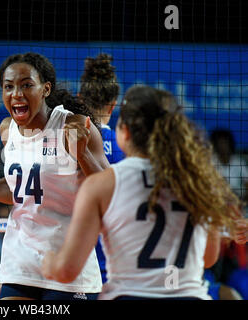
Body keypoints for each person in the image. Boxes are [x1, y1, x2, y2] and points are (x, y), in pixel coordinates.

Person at [42, 85, 242, 300]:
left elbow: (66, 271)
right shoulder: (201, 181)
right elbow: (208, 258)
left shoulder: (102, 184)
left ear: (124, 132)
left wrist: (49, 261)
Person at [0, 52, 109, 300]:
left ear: (45, 89)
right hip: (21, 262)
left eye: (26, 85)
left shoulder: (74, 125)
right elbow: (20, 192)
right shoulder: (7, 129)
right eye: (8, 87)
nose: (16, 94)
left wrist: (82, 155)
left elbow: (109, 192)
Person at [79, 52, 124, 284]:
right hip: (112, 259)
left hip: (76, 255)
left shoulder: (67, 143)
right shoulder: (125, 147)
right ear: (114, 104)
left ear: (79, 98)